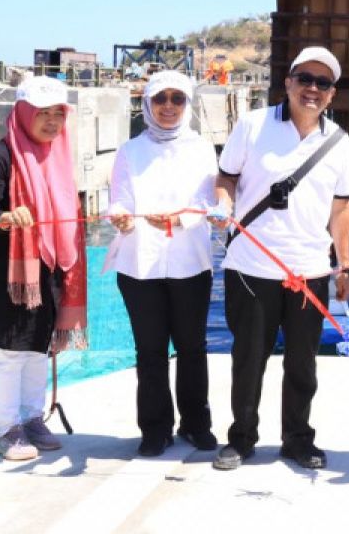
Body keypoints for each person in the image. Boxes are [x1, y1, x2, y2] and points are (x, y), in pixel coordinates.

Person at [208, 46, 349, 471]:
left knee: (303, 363)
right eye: (305, 79)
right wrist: (222, 205)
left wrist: (343, 263)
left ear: (332, 94)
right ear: (288, 82)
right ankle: (241, 438)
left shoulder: (339, 141)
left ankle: (297, 439)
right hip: (252, 265)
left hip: (309, 268)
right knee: (249, 358)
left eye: (323, 83)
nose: (313, 88)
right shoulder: (253, 125)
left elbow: (341, 207)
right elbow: (226, 177)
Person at [0, 76, 87, 460]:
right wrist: (5, 217)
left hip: (47, 271)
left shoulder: (58, 157)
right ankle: (7, 429)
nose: (53, 122)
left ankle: (32, 417)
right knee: (6, 353)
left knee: (37, 349)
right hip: (3, 276)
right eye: (43, 114)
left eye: (58, 114)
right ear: (22, 113)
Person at [105, 71, 219, 457]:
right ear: (148, 104)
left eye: (177, 99)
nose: (168, 106)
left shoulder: (202, 148)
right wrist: (119, 216)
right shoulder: (129, 150)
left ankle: (196, 424)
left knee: (193, 347)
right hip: (140, 264)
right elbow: (118, 198)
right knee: (149, 351)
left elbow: (209, 201)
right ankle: (154, 429)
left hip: (191, 262)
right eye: (160, 99)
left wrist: (180, 218)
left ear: (187, 104)